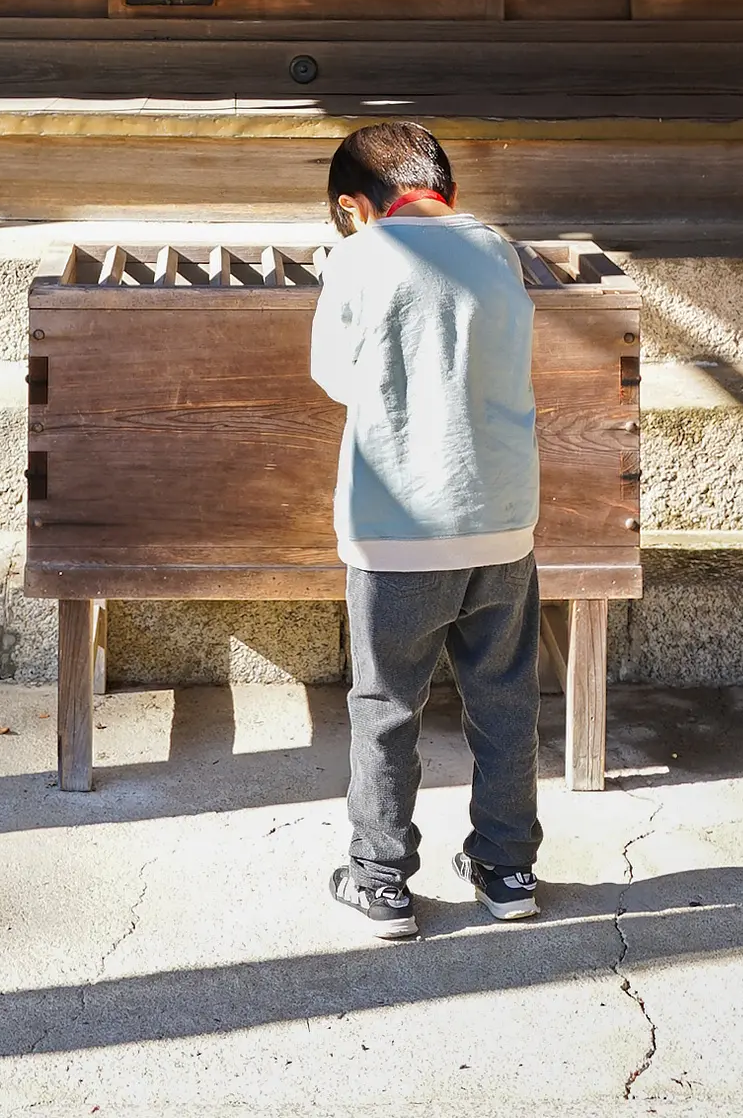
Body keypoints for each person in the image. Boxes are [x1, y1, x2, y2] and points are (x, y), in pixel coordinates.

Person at [310, 119, 542, 943]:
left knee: (386, 707)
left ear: (353, 207)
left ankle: (380, 880)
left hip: (397, 527)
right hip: (501, 522)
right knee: (505, 701)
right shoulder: (500, 249)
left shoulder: (358, 257)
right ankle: (508, 872)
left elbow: (336, 375)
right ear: (448, 191)